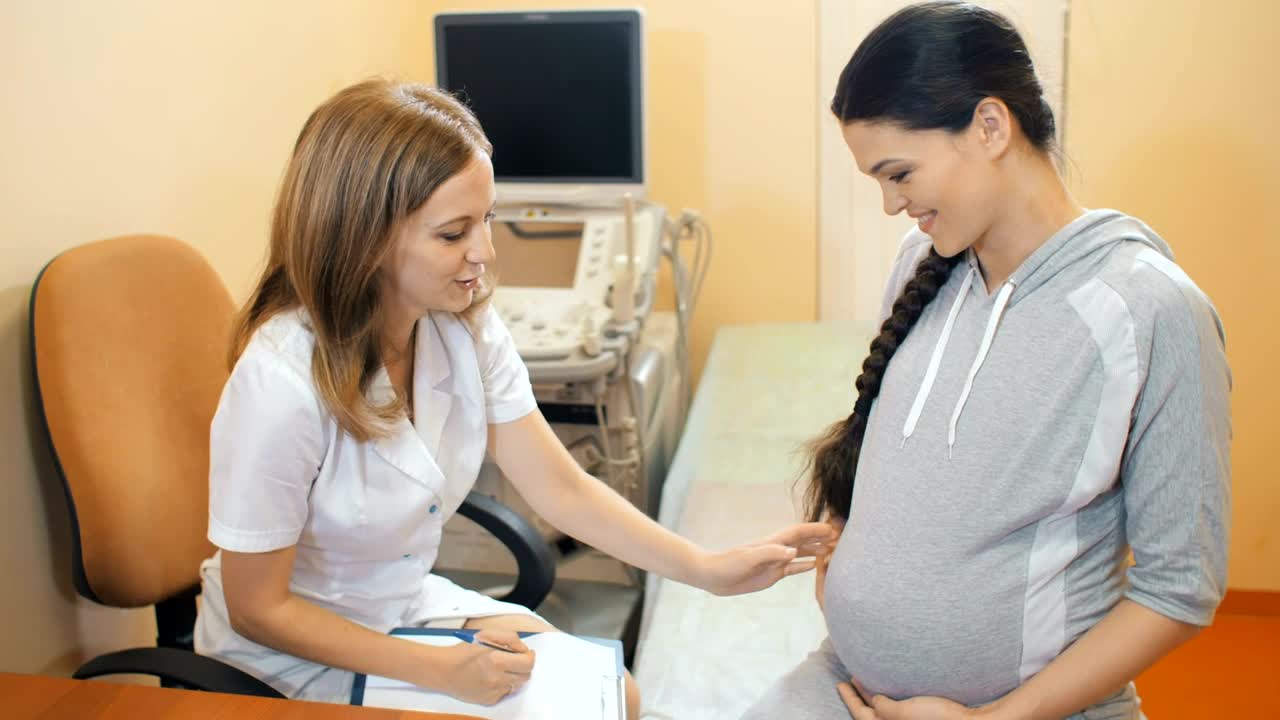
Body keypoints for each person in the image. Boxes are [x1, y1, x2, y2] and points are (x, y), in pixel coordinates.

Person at [193, 78, 836, 714]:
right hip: (292, 660)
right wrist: (440, 668)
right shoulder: (280, 382)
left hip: (399, 606)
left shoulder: (461, 325)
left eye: (488, 220)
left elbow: (560, 487)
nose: (485, 253)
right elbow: (259, 609)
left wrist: (707, 569)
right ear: (365, 238)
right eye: (453, 234)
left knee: (616, 697)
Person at [741, 3, 1231, 719]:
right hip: (851, 686)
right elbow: (904, 457)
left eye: (899, 173)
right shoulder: (922, 265)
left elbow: (1180, 589)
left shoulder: (1151, 311)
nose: (888, 205)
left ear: (991, 126)